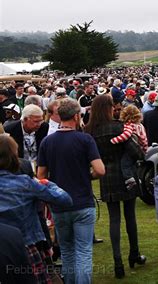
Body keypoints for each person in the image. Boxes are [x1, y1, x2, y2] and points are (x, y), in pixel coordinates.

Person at [37, 98, 105, 284]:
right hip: (82, 203)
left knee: (67, 251)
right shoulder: (85, 139)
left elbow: (40, 175)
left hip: (59, 205)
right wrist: (86, 175)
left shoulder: (47, 142)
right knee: (83, 251)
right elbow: (100, 170)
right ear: (76, 116)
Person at [84, 95, 146, 279]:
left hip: (106, 175)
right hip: (126, 175)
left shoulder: (90, 131)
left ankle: (118, 261)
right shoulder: (120, 127)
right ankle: (134, 254)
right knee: (130, 216)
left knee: (114, 219)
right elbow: (137, 152)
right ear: (109, 108)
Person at [0, 134, 73, 283]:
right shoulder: (25, 183)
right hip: (26, 246)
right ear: (13, 156)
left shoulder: (24, 183)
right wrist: (47, 184)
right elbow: (65, 199)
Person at [110, 105, 148, 190]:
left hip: (132, 149)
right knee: (133, 165)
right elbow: (144, 139)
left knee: (125, 164)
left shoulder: (129, 125)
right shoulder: (140, 125)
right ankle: (137, 179)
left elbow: (126, 135)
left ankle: (129, 180)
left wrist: (114, 140)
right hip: (141, 149)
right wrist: (145, 150)